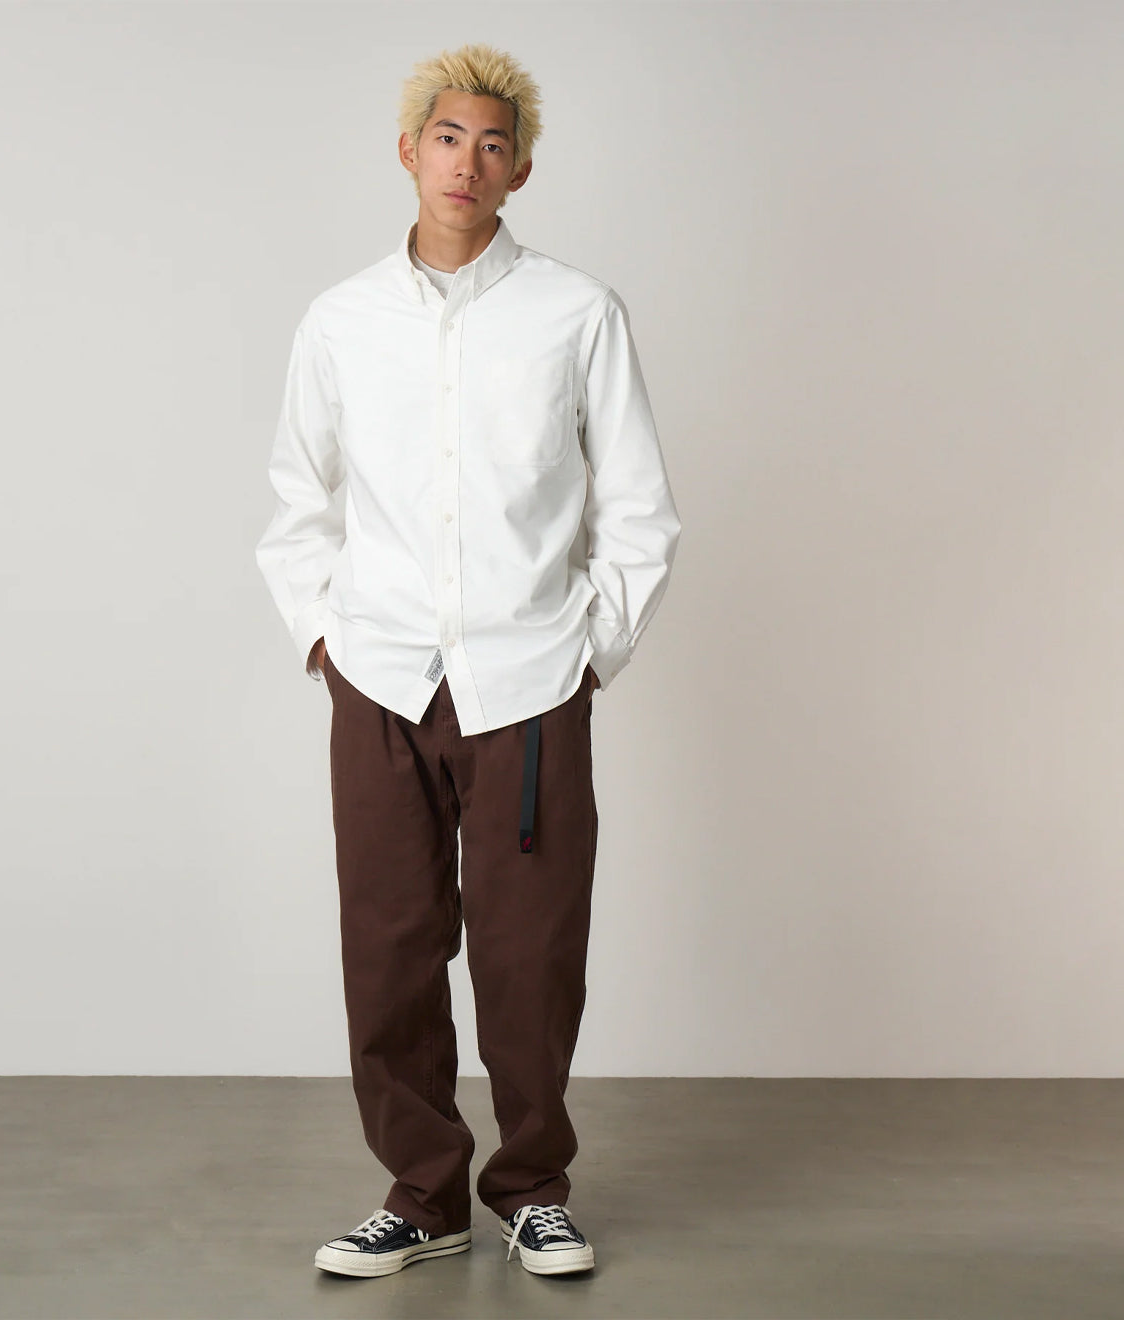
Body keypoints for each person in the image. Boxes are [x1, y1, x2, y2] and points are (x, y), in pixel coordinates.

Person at [255, 42, 681, 1280]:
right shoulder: (340, 321)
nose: (468, 162)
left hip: (530, 685)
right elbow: (298, 501)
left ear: (521, 171)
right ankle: (423, 1192)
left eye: (495, 145)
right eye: (449, 138)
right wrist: (326, 641)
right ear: (409, 151)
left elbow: (639, 511)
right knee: (388, 946)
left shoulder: (577, 315)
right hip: (381, 678)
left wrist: (586, 654)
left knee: (528, 951)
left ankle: (533, 1188)